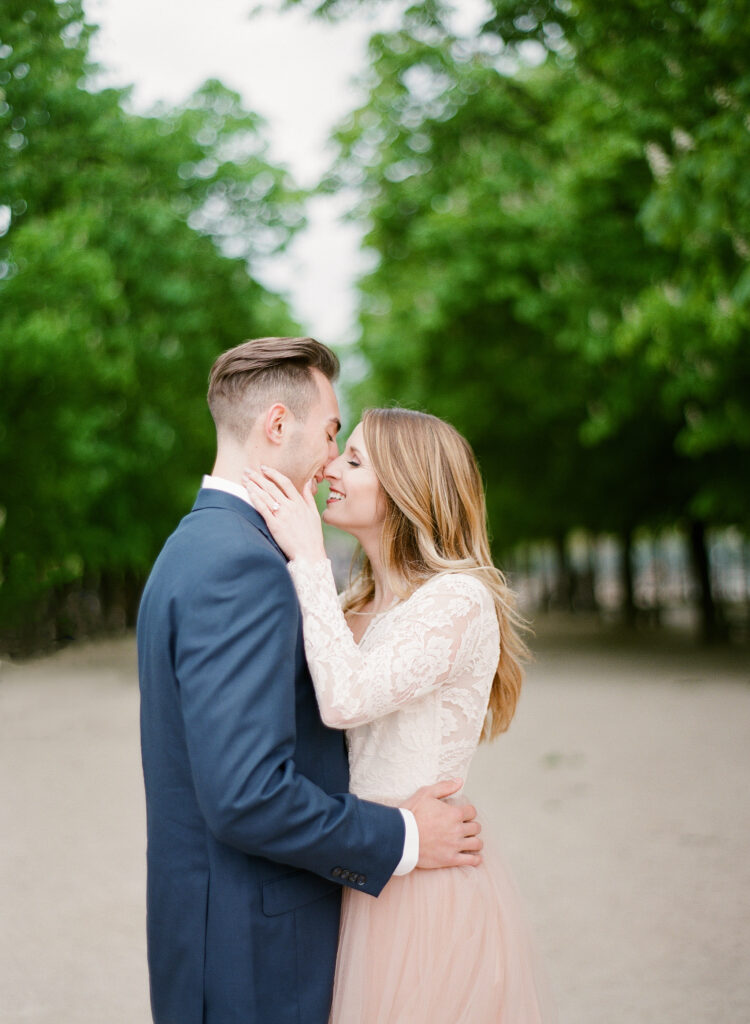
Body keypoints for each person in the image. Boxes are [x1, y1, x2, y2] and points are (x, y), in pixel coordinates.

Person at [136, 337, 483, 1024]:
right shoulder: (243, 566)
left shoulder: (197, 544)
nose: (331, 459)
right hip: (254, 952)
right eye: (333, 434)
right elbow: (245, 794)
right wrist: (405, 837)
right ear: (275, 424)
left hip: (225, 931)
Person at [244, 406, 556, 1023]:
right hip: (356, 865)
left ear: (407, 489)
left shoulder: (458, 600)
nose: (331, 465)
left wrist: (308, 554)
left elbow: (344, 699)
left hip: (422, 891)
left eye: (354, 460)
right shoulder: (349, 604)